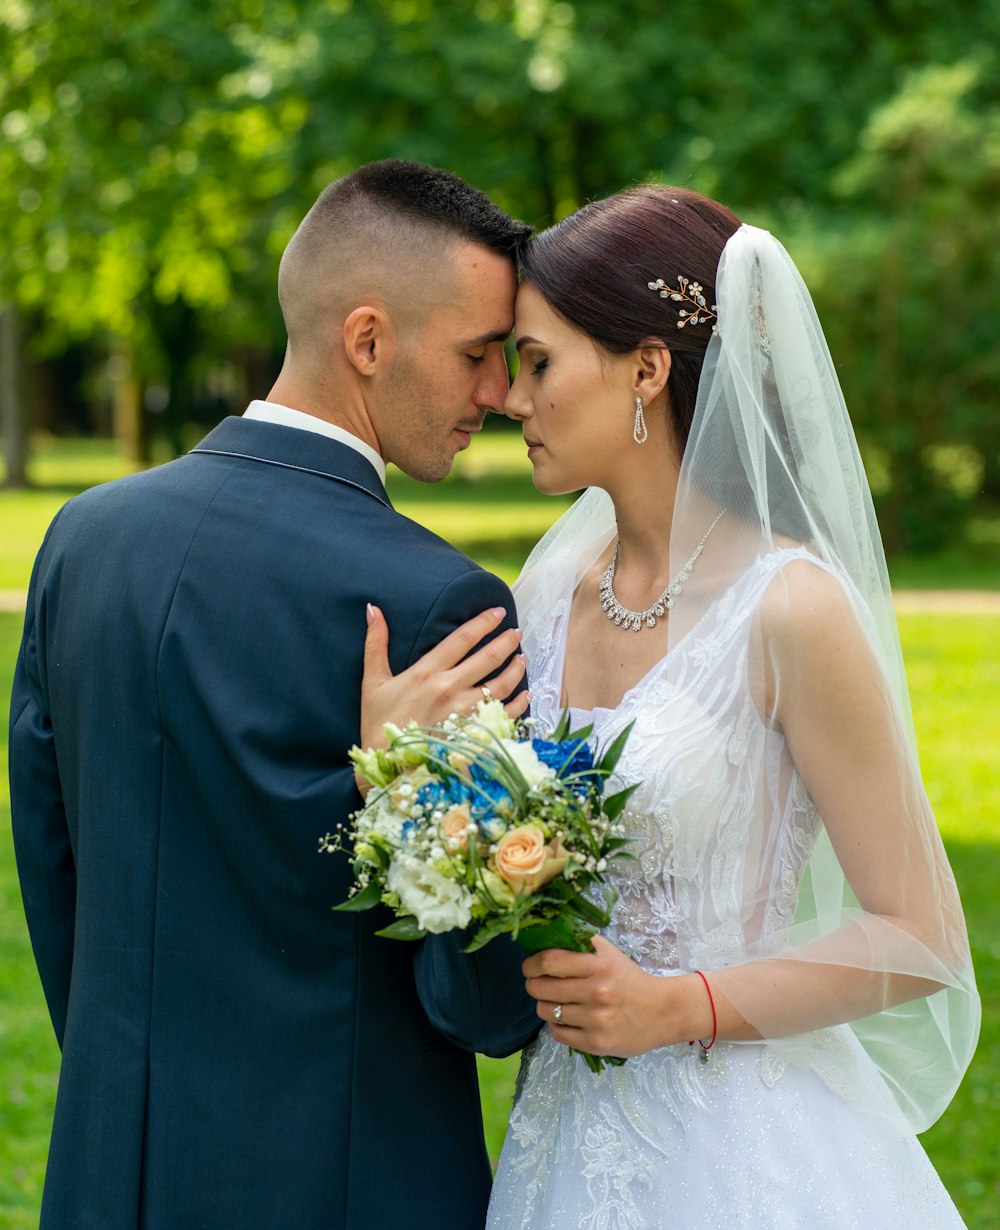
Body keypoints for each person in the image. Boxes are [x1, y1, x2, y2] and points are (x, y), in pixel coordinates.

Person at [363, 184, 980, 1227]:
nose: (512, 399)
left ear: (647, 367)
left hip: (738, 1145)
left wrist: (677, 1007)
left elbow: (919, 936)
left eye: (541, 362)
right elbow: (491, 845)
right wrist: (402, 761)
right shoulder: (542, 596)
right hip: (561, 1132)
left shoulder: (788, 610)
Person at [8, 159, 540, 1230]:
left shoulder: (85, 538)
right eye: (478, 353)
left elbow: (53, 863)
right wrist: (408, 797)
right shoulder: (438, 602)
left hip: (112, 1168)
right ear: (368, 339)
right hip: (346, 1182)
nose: (498, 393)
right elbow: (486, 1003)